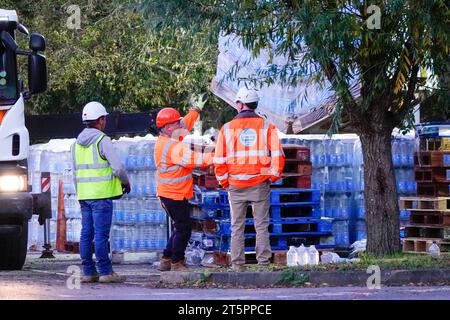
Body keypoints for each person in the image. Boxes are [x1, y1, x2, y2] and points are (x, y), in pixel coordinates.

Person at [213, 87, 285, 271]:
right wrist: (273, 176)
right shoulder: (267, 127)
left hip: (235, 185)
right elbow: (278, 155)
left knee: (237, 226)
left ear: (241, 104)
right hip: (260, 183)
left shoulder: (227, 128)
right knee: (261, 225)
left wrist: (224, 181)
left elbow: (219, 160)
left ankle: (237, 265)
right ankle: (263, 264)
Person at [71, 101, 131, 283]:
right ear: (101, 120)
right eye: (104, 118)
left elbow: (75, 173)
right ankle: (105, 271)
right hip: (101, 196)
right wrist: (126, 183)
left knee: (86, 234)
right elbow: (118, 167)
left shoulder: (75, 144)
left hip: (84, 196)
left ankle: (88, 272)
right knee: (101, 235)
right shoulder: (102, 140)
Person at [154, 95, 213, 272]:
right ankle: (177, 262)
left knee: (179, 226)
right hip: (174, 194)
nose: (181, 125)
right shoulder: (173, 147)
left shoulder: (168, 138)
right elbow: (197, 160)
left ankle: (166, 258)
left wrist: (196, 111)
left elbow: (185, 123)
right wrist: (218, 157)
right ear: (168, 127)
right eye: (176, 123)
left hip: (170, 193)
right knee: (184, 229)